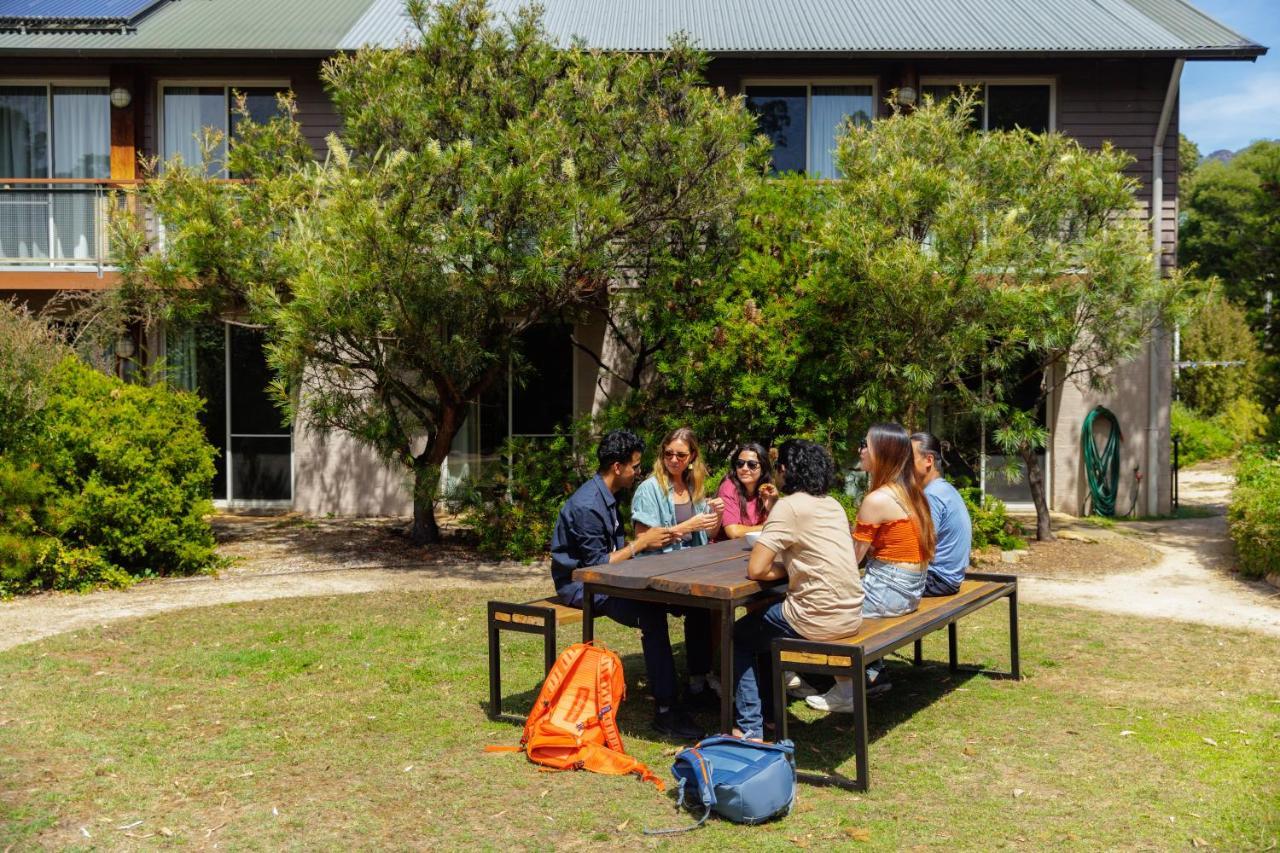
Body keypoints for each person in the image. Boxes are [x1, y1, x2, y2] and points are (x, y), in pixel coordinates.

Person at [549, 429, 704, 740]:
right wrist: (641, 544)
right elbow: (594, 566)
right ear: (617, 467)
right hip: (582, 585)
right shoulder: (587, 506)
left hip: (610, 578)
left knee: (691, 606)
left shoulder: (608, 494)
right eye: (635, 466)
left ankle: (700, 685)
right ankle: (665, 709)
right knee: (651, 614)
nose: (638, 472)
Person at [730, 439, 864, 741]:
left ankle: (750, 726)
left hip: (817, 618)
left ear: (786, 470)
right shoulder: (832, 504)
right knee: (760, 627)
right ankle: (772, 717)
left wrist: (788, 569)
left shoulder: (789, 506)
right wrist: (795, 568)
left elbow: (757, 569)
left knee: (739, 636)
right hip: (851, 612)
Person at [807, 422, 935, 714]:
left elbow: (850, 561)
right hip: (909, 591)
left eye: (865, 445)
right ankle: (864, 676)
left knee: (820, 610)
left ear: (883, 452)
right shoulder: (911, 491)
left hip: (888, 591)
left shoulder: (877, 499)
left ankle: (846, 691)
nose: (860, 450)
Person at [630, 427, 721, 704]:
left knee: (708, 605)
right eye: (668, 453)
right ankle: (694, 680)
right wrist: (687, 525)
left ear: (692, 456)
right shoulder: (650, 488)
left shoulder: (693, 486)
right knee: (701, 605)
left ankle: (700, 676)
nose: (673, 460)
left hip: (691, 567)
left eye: (680, 455)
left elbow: (708, 535)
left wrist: (714, 516)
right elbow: (643, 539)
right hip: (658, 571)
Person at [911, 432, 973, 597]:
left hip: (937, 580)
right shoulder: (943, 489)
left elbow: (922, 548)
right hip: (948, 578)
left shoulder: (932, 495)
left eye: (909, 459)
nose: (903, 465)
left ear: (929, 460)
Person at [713, 442, 779, 542]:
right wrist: (769, 526)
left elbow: (780, 524)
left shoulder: (766, 489)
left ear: (763, 469)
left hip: (755, 546)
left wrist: (773, 505)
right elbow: (733, 532)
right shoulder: (729, 487)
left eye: (752, 465)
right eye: (740, 463)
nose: (744, 468)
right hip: (726, 550)